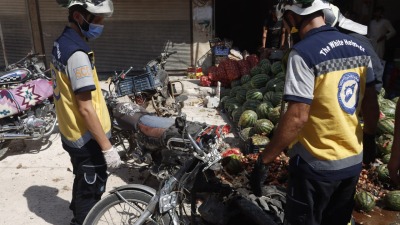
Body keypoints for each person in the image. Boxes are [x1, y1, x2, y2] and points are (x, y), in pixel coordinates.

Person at [249, 0, 379, 225]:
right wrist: (370, 136)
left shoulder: (303, 53)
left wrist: (265, 159)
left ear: (292, 18)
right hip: (351, 165)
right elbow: (371, 103)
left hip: (316, 168)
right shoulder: (360, 47)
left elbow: (298, 116)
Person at [50, 0, 122, 224]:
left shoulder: (62, 42)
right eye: (98, 19)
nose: (101, 25)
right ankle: (82, 219)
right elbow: (85, 108)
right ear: (80, 17)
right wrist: (107, 148)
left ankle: (78, 209)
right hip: (86, 138)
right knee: (91, 189)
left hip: (70, 131)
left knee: (83, 177)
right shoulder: (77, 54)